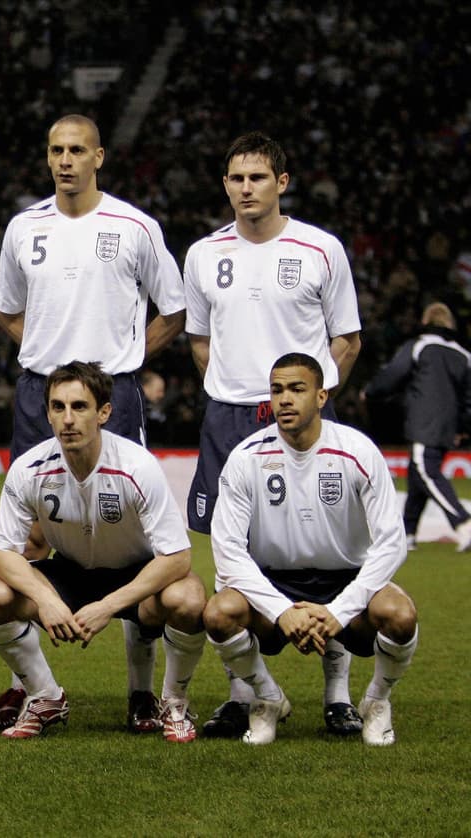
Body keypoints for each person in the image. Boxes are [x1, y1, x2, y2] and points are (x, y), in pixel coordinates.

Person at [0, 114, 186, 733]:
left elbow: (174, 310)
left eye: (77, 150)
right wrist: (53, 368)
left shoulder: (134, 227)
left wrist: (121, 363)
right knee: (30, 538)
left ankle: (140, 691)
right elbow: (7, 310)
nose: (66, 160)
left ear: (99, 156)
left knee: (131, 537)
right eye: (56, 150)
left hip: (113, 393)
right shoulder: (24, 227)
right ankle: (28, 686)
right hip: (40, 391)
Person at [183, 131, 364, 738]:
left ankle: (338, 695)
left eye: (257, 177)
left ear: (281, 182)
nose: (246, 188)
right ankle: (248, 694)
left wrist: (312, 402)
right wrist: (233, 391)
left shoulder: (321, 248)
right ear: (225, 184)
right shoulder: (203, 254)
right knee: (229, 553)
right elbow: (200, 340)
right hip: (229, 417)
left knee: (327, 548)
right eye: (236, 178)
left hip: (303, 420)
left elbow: (347, 339)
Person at [0, 361, 207, 741]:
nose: (68, 419)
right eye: (58, 407)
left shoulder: (137, 465)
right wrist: (45, 600)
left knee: (189, 598)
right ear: (48, 413)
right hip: (70, 569)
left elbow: (178, 557)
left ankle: (173, 702)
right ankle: (45, 695)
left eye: (79, 406)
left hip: (135, 573)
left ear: (103, 413)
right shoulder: (28, 469)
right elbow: (3, 552)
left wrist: (108, 606)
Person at [204, 353, 418, 745]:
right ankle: (267, 698)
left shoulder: (358, 451)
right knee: (219, 613)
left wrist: (340, 610)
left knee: (400, 615)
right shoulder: (246, 457)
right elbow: (228, 550)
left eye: (296, 389)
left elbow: (391, 542)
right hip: (274, 582)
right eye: (277, 390)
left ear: (321, 396)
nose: (284, 399)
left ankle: (376, 701)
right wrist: (281, 610)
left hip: (345, 580)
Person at [364, 302, 471, 550]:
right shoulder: (464, 355)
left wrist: (371, 391)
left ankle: (463, 522)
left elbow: (393, 373)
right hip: (449, 426)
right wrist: (463, 428)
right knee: (417, 477)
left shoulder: (420, 346)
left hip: (424, 422)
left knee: (426, 472)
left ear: (425, 321)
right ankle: (408, 534)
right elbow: (469, 398)